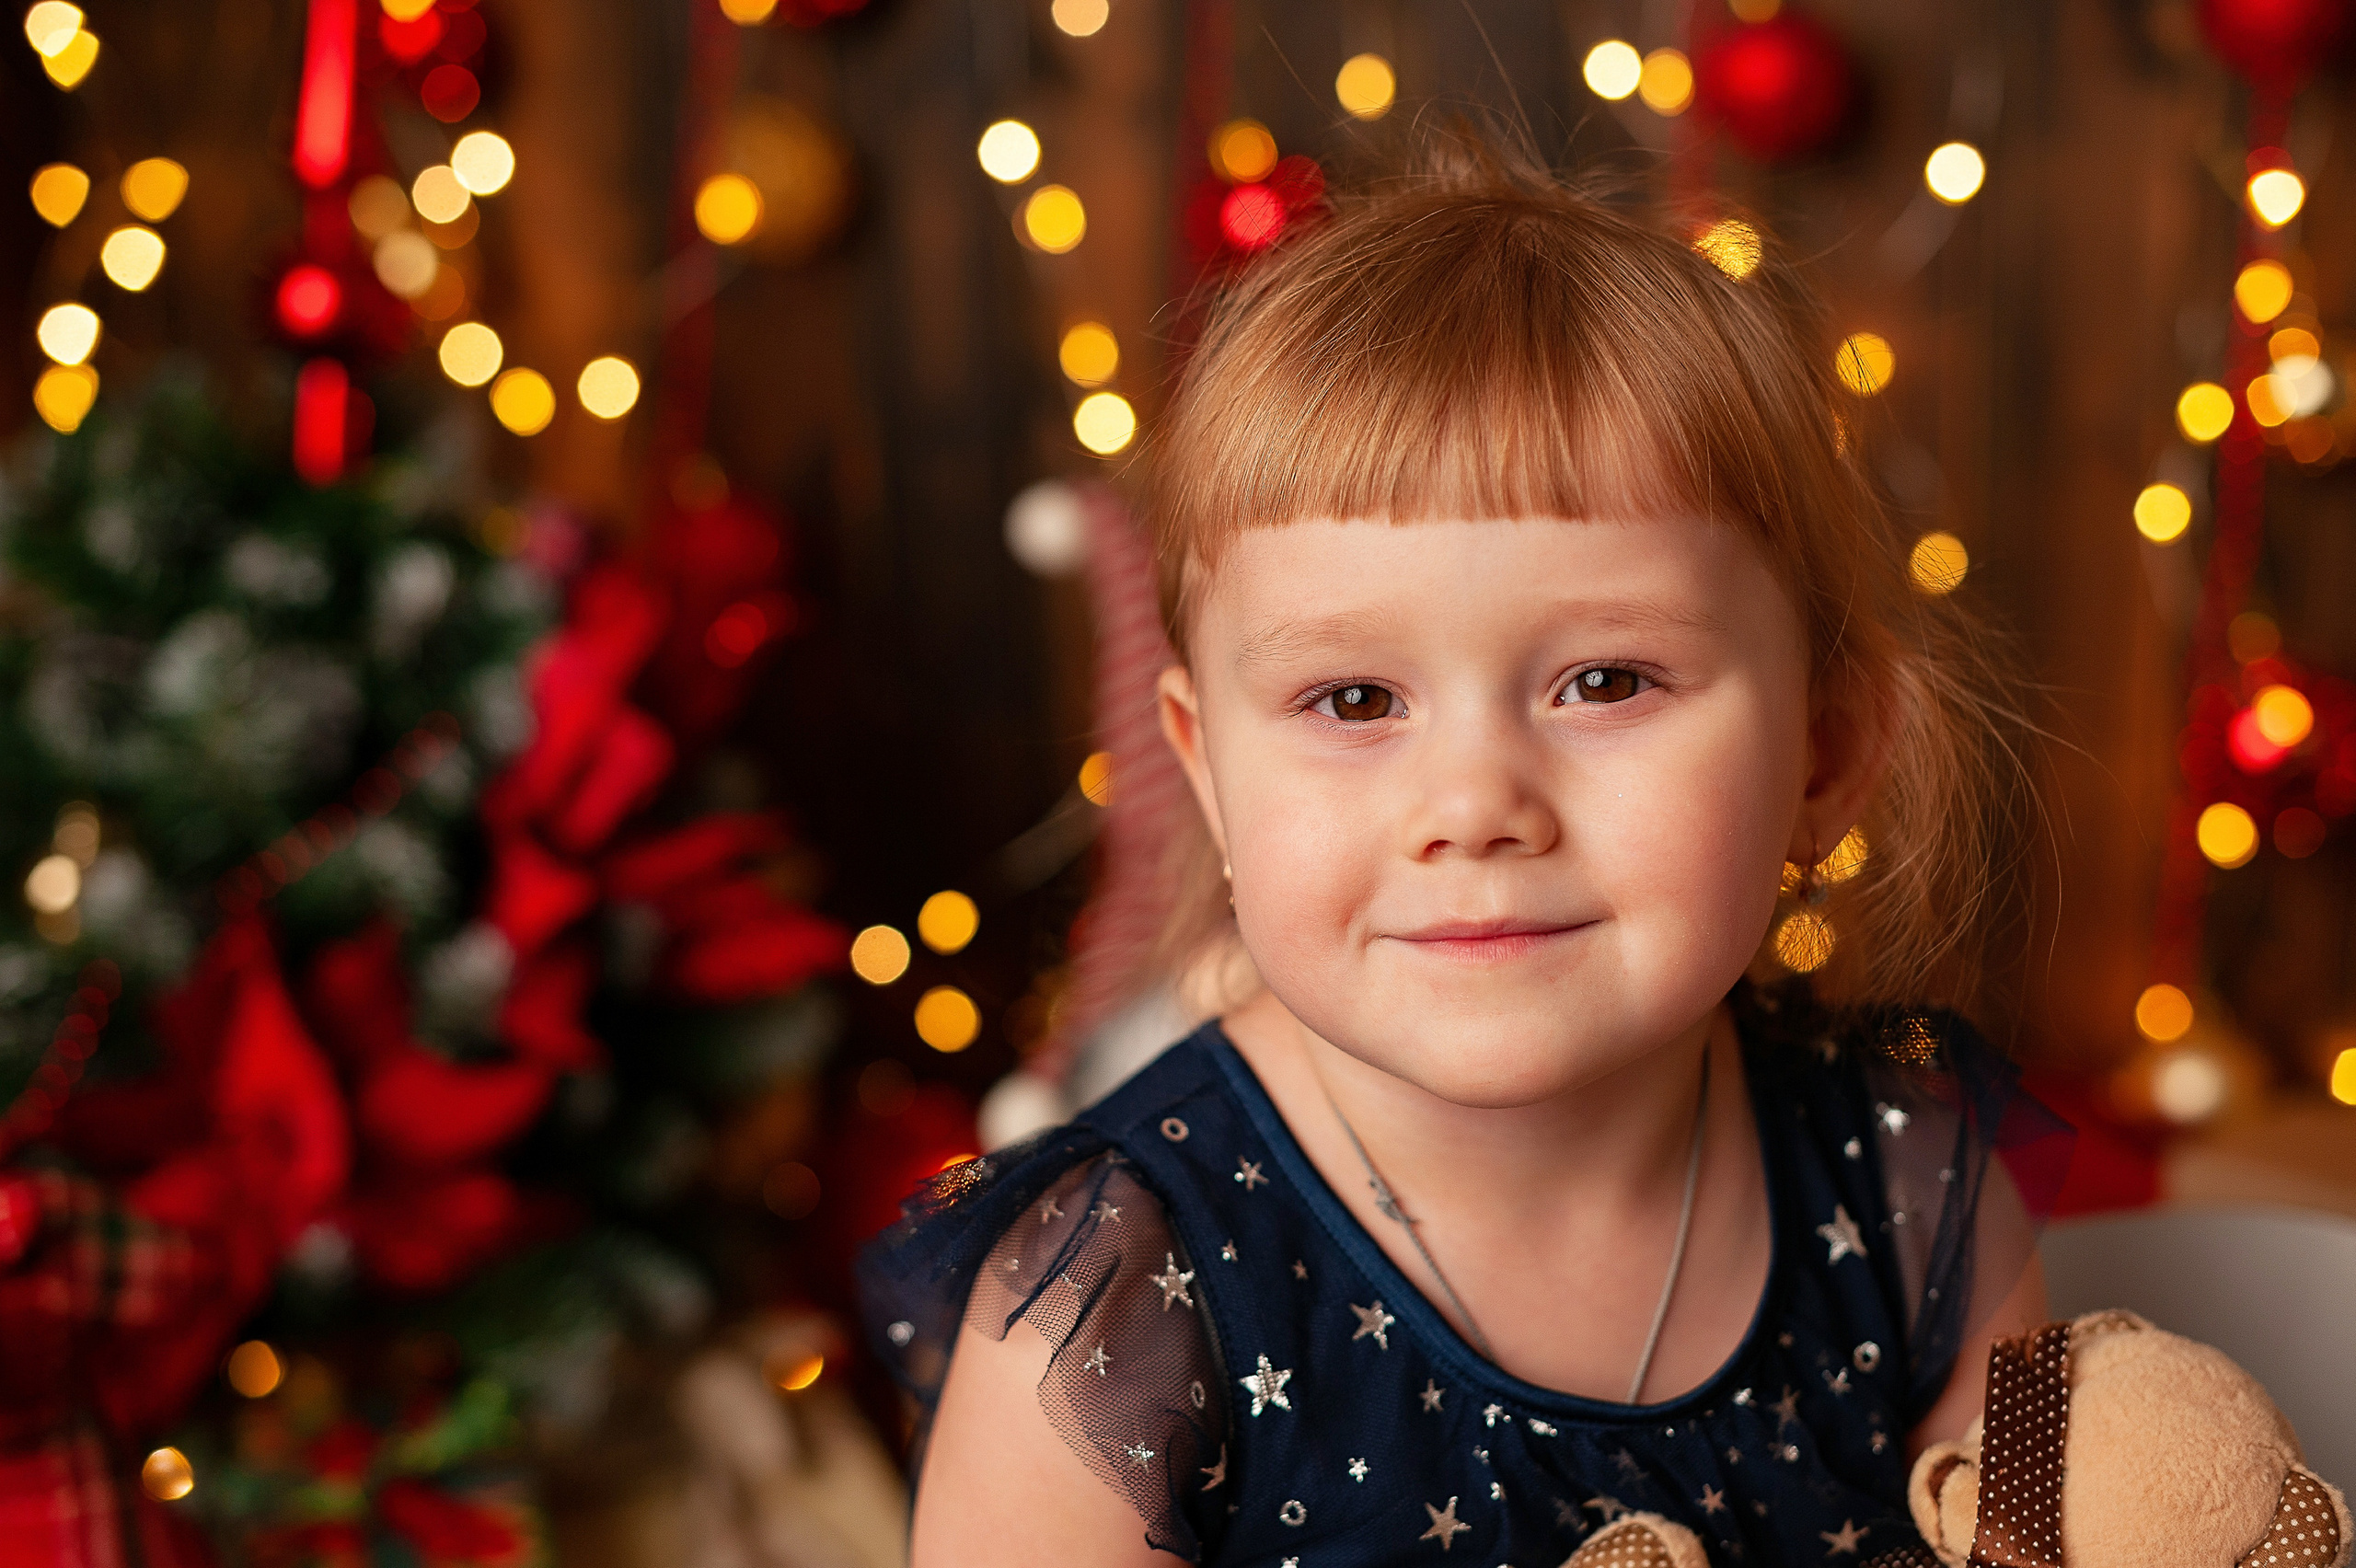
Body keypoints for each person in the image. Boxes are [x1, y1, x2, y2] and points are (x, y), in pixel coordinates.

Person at [862, 133, 2071, 1566]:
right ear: (1207, 772)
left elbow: (2061, 1534)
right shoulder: (1115, 1315)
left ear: (1826, 747)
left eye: (1607, 681)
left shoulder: (1920, 1195)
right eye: (1355, 700)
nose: (1477, 803)